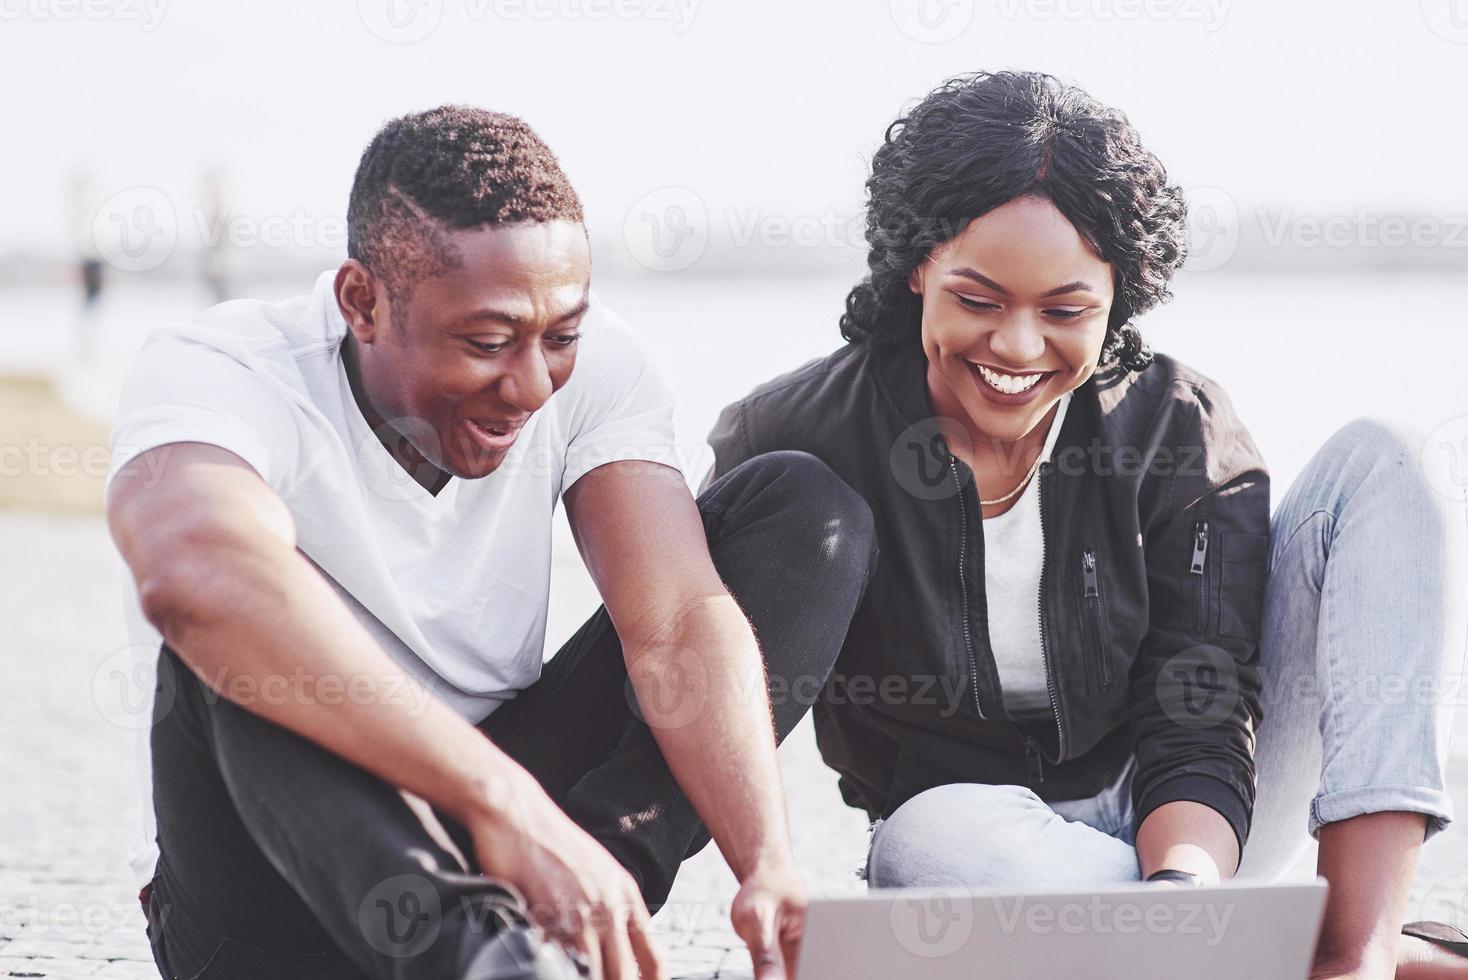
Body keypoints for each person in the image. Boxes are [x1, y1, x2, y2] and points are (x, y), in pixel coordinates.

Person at [705, 71, 1468, 980]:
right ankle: (1271, 952)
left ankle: (1358, 950)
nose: (1018, 349)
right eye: (979, 300)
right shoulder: (791, 437)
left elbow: (1204, 710)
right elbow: (720, 686)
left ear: (1119, 300)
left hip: (1202, 826)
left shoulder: (1175, 428)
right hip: (977, 845)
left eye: (1065, 312)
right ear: (917, 266)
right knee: (931, 839)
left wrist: (1180, 891)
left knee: (1391, 454)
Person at [106, 106, 878, 980]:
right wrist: (509, 806)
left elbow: (675, 624)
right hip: (269, 898)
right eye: (485, 342)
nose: (529, 384)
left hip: (503, 844)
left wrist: (765, 860)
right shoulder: (225, 372)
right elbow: (193, 578)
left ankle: (567, 930)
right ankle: (493, 956)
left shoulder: (597, 370)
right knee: (234, 629)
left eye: (561, 337)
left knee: (806, 513)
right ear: (363, 300)